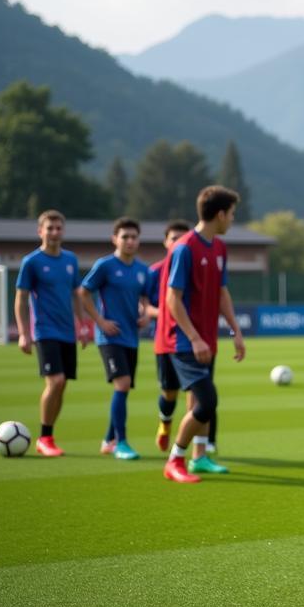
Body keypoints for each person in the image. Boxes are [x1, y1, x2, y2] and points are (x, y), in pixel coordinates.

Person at [157, 187, 245, 483]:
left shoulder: (219, 248)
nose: (233, 219)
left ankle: (200, 457)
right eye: (232, 213)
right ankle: (175, 460)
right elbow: (172, 299)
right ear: (220, 214)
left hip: (207, 338)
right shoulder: (184, 248)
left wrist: (235, 330)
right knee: (207, 401)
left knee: (199, 400)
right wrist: (194, 338)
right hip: (183, 340)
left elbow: (222, 293)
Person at [14, 209, 88, 456]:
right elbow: (21, 299)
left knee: (62, 384)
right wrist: (24, 333)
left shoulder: (70, 260)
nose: (55, 232)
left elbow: (76, 294)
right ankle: (45, 437)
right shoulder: (31, 262)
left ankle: (49, 435)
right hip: (44, 331)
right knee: (55, 381)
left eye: (59, 228)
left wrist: (83, 324)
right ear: (40, 231)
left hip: (67, 332)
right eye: (50, 228)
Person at [79, 217, 151, 460]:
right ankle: (121, 443)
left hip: (131, 337)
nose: (130, 241)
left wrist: (145, 316)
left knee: (125, 388)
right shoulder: (105, 265)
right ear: (115, 239)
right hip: (109, 338)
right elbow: (84, 292)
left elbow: (146, 299)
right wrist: (100, 322)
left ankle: (108, 440)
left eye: (134, 237)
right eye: (125, 237)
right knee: (122, 384)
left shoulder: (142, 270)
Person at [148, 220, 191, 451]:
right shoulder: (154, 272)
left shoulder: (194, 268)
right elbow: (144, 307)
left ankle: (197, 443)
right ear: (166, 242)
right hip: (165, 340)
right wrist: (170, 312)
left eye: (183, 238)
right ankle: (165, 424)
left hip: (192, 340)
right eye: (174, 238)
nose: (178, 243)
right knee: (170, 392)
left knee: (194, 393)